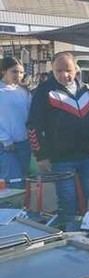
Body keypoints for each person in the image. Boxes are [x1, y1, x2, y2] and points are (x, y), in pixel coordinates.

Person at [28, 52, 89, 227]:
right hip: (61, 159)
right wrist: (41, 155)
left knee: (83, 201)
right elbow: (33, 126)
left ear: (76, 69)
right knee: (67, 203)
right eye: (59, 70)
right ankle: (67, 241)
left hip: (86, 157)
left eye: (68, 70)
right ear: (52, 70)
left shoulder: (86, 90)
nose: (64, 75)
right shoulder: (44, 91)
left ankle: (80, 238)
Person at [0, 57, 31, 188]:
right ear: (3, 71)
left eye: (21, 72)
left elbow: (30, 117)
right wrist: (5, 139)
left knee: (23, 184)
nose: (18, 75)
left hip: (24, 144)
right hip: (6, 147)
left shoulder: (24, 92)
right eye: (14, 71)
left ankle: (21, 208)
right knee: (12, 185)